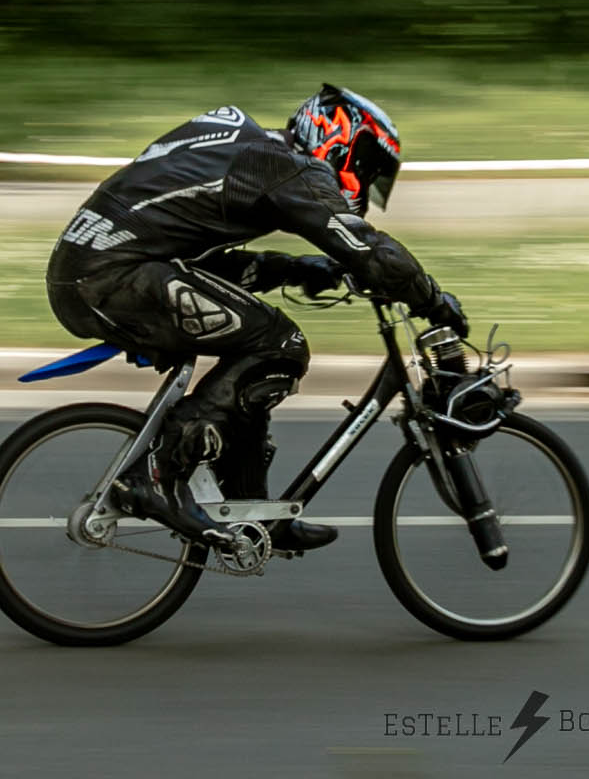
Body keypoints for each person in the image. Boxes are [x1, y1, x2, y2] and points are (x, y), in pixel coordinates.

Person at [43, 83, 467, 554]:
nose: (364, 182)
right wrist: (430, 298)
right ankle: (157, 475)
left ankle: (256, 513)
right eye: (367, 167)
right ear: (343, 139)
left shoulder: (249, 151)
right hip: (113, 279)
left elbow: (192, 251)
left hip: (91, 271)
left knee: (253, 358)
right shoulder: (285, 166)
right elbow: (369, 250)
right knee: (278, 346)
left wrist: (293, 269)